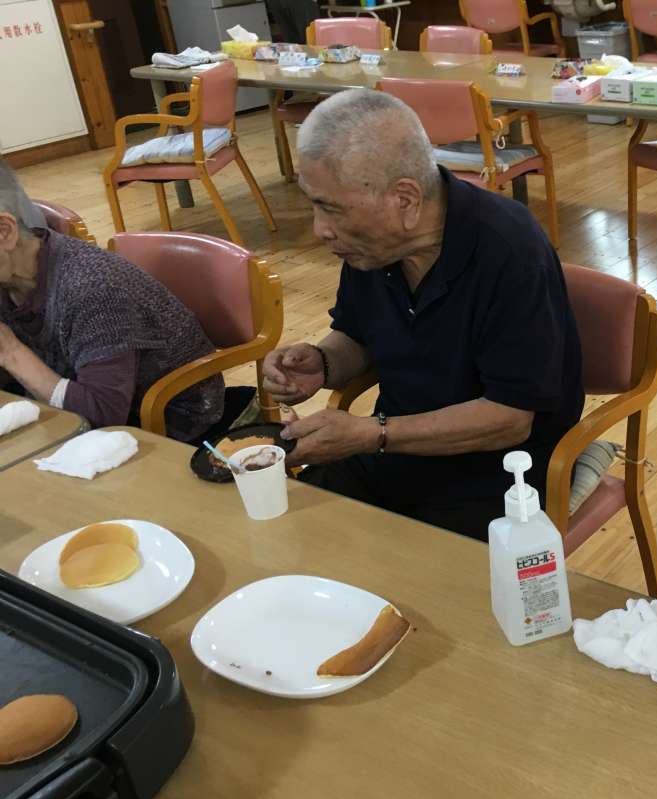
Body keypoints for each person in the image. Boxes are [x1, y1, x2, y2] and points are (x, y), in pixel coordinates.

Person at [264, 90, 583, 541]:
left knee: (416, 583)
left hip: (502, 471)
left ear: (406, 200)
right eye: (315, 204)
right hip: (396, 446)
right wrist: (324, 362)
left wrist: (368, 433)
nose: (320, 229)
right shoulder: (369, 248)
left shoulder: (510, 251)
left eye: (330, 209)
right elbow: (356, 335)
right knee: (297, 533)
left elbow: (510, 418)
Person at [0, 161, 223, 442]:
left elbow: (104, 416)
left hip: (168, 422)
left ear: (4, 231)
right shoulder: (10, 273)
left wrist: (10, 353)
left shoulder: (93, 288)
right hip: (73, 409)